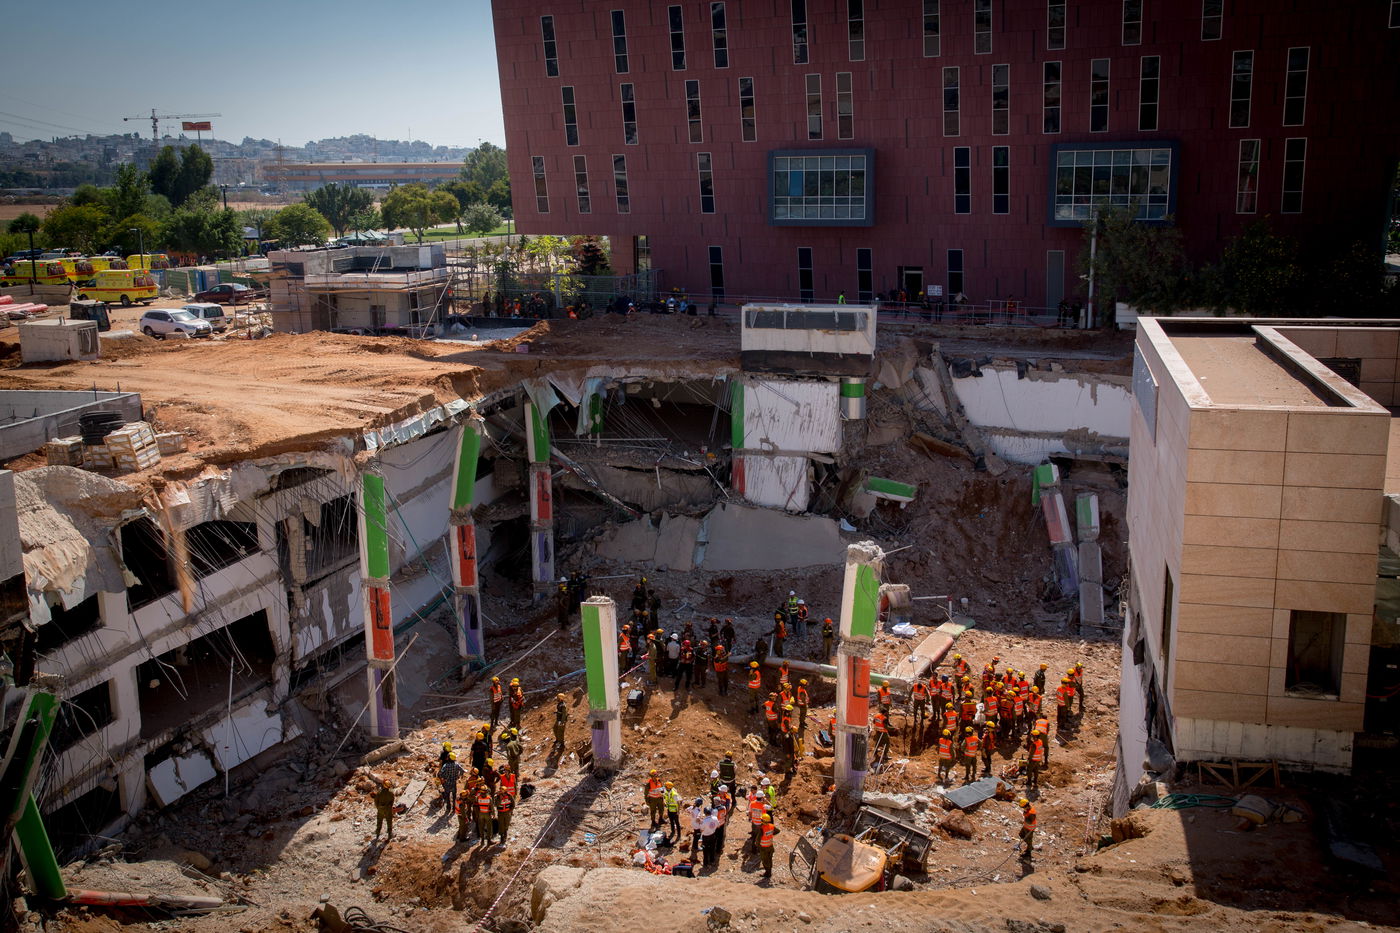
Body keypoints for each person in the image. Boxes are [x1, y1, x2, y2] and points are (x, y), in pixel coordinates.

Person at [370, 775, 396, 840]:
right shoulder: (391, 793)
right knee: (389, 821)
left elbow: (376, 802)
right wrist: (390, 807)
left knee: (379, 821)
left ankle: (378, 833)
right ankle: (389, 834)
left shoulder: (379, 793)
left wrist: (378, 808)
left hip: (381, 809)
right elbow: (392, 801)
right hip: (388, 809)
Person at [757, 813, 779, 880]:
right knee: (769, 859)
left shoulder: (762, 829)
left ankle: (767, 873)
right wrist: (771, 834)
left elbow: (758, 840)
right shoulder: (772, 826)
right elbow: (778, 831)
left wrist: (758, 846)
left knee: (765, 860)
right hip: (770, 846)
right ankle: (769, 871)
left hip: (764, 848)